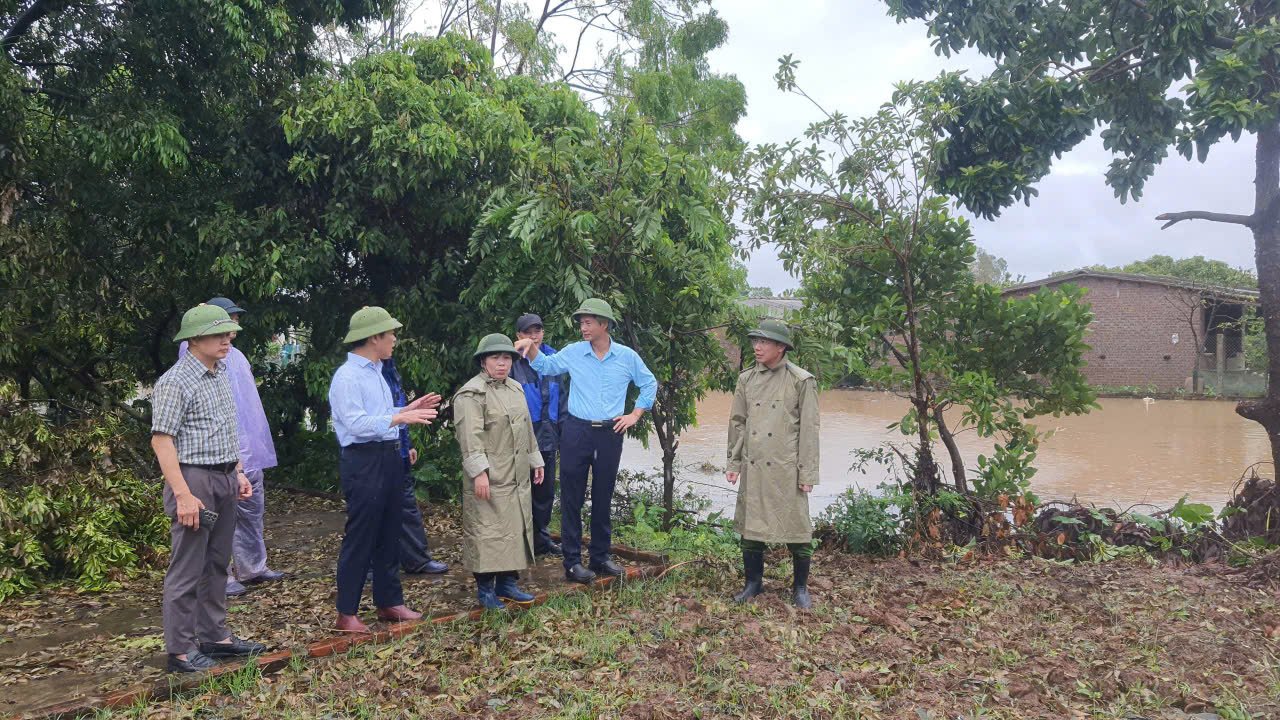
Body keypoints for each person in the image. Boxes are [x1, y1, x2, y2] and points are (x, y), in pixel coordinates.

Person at [151, 303, 266, 672]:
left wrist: (237, 471)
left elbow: (221, 429)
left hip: (224, 477)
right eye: (218, 334)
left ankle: (215, 638)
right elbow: (162, 441)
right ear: (195, 338)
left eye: (228, 333)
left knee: (217, 562)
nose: (228, 338)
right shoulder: (175, 381)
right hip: (194, 479)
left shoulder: (219, 373)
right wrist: (183, 494)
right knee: (187, 567)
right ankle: (181, 651)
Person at [513, 298, 656, 584]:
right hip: (576, 431)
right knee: (572, 498)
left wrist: (635, 415)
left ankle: (600, 557)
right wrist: (530, 349)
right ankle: (572, 562)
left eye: (588, 322)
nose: (583, 327)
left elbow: (649, 382)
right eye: (581, 322)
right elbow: (547, 366)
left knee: (603, 496)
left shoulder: (626, 357)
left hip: (610, 433)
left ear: (604, 325)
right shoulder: (575, 352)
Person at [328, 306, 440, 632]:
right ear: (374, 337)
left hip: (389, 457)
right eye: (389, 333)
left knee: (391, 533)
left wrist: (405, 409)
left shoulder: (376, 371)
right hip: (364, 461)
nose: (393, 339)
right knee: (361, 536)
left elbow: (377, 414)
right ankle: (346, 612)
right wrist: (399, 418)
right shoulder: (347, 376)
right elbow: (355, 423)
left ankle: (389, 601)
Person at [179, 296, 281, 597]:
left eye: (234, 318)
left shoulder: (236, 356)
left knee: (251, 510)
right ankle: (219, 578)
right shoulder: (194, 355)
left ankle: (252, 567)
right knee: (218, 520)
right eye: (228, 318)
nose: (234, 324)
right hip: (213, 455)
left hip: (246, 450)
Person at [725, 318, 820, 609]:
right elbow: (738, 423)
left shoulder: (801, 380)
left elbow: (809, 431)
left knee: (798, 529)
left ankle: (801, 588)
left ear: (781, 347)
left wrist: (808, 472)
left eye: (764, 342)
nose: (756, 347)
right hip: (754, 465)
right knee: (751, 527)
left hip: (786, 467)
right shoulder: (746, 379)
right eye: (755, 341)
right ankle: (753, 583)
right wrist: (733, 462)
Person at [454, 334, 545, 608]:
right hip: (490, 477)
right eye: (496, 357)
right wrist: (479, 472)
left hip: (515, 476)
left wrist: (536, 459)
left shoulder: (515, 388)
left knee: (515, 529)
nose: (502, 363)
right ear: (484, 361)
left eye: (506, 358)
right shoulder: (471, 394)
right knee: (487, 533)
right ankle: (485, 590)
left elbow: (527, 428)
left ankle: (508, 583)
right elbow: (469, 438)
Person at [381, 357, 449, 575]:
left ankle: (416, 560)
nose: (393, 340)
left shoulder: (390, 370)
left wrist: (406, 445)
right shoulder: (361, 375)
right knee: (374, 512)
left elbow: (399, 412)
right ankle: (371, 566)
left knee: (407, 508)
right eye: (388, 335)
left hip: (397, 452)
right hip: (374, 456)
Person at [511, 313, 568, 556]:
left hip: (547, 438)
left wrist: (564, 438)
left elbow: (563, 401)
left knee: (544, 492)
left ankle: (540, 540)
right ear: (519, 336)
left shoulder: (554, 360)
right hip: (518, 440)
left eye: (538, 331)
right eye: (528, 332)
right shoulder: (511, 362)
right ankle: (517, 541)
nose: (534, 336)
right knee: (517, 490)